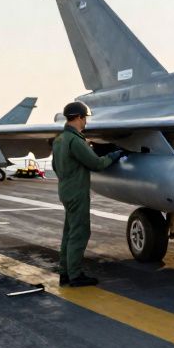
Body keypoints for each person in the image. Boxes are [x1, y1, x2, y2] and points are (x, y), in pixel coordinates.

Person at [52, 101, 121, 287]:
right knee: (80, 232)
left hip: (65, 190)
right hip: (77, 193)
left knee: (69, 233)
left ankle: (65, 273)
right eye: (85, 118)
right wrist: (115, 155)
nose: (86, 122)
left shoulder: (59, 140)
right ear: (79, 117)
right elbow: (97, 164)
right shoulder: (75, 140)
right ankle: (75, 276)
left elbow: (54, 166)